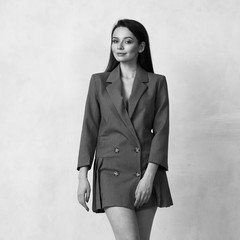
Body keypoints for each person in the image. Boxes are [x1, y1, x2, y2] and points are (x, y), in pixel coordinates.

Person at [77, 19, 173, 240]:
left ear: (140, 47)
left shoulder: (156, 82)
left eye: (127, 41)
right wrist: (83, 176)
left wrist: (148, 179)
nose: (119, 47)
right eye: (115, 41)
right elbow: (89, 129)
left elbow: (161, 132)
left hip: (146, 170)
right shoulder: (99, 82)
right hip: (111, 170)